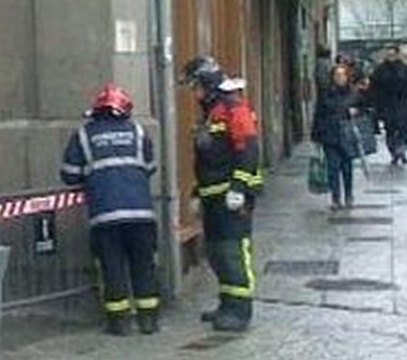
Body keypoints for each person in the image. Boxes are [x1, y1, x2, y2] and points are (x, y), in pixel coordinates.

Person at [60, 84, 161, 335]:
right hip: (141, 214)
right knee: (144, 265)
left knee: (112, 267)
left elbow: (70, 174)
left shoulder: (84, 135)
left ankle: (119, 322)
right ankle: (148, 320)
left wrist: (92, 175)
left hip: (105, 216)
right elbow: (150, 167)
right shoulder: (138, 132)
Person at [184, 56, 264, 332]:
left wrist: (239, 188)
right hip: (213, 196)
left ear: (207, 84)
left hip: (231, 197)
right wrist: (198, 191)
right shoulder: (212, 112)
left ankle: (241, 310)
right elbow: (209, 159)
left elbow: (249, 149)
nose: (194, 93)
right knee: (217, 252)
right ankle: (227, 303)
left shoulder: (233, 108)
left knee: (233, 251)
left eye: (195, 86)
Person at [313, 63, 365, 207]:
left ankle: (348, 194)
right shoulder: (326, 93)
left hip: (347, 136)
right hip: (330, 134)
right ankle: (336, 198)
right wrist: (316, 136)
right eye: (337, 75)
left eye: (342, 75)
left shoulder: (354, 93)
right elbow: (319, 115)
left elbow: (364, 110)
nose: (340, 78)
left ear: (347, 77)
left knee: (347, 168)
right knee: (333, 167)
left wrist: (356, 112)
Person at [369, 46, 407, 165]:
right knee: (390, 129)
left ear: (398, 55)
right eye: (389, 55)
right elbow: (374, 87)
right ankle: (394, 151)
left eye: (393, 54)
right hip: (386, 104)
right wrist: (374, 103)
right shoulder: (380, 70)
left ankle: (402, 150)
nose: (391, 57)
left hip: (403, 103)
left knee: (404, 129)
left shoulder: (406, 69)